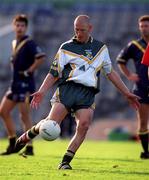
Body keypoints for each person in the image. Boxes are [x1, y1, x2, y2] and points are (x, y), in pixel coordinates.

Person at [13, 15, 139, 169]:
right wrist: (41, 91)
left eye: (82, 30)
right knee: (50, 126)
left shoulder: (101, 49)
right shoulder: (66, 47)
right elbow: (53, 73)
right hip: (67, 90)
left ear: (90, 28)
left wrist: (126, 93)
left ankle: (65, 161)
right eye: (76, 30)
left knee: (84, 125)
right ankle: (29, 134)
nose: (78, 33)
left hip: (87, 93)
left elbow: (110, 72)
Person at [0, 14, 45, 155]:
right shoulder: (15, 42)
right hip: (14, 85)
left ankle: (30, 147)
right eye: (17, 25)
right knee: (3, 111)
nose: (19, 28)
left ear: (26, 27)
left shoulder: (29, 43)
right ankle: (13, 142)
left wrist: (29, 71)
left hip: (26, 85)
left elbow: (41, 57)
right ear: (14, 26)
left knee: (24, 116)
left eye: (22, 25)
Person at [117, 15, 149, 159]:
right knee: (142, 122)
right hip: (141, 88)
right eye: (141, 26)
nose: (144, 28)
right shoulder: (134, 45)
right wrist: (129, 75)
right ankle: (145, 151)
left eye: (146, 26)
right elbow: (120, 60)